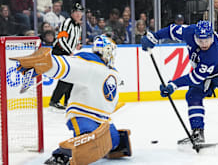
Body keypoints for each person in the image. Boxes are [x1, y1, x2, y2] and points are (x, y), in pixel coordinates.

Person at [10, 35, 131, 164]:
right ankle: (61, 156)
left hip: (103, 118)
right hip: (83, 115)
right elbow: (70, 66)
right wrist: (47, 64)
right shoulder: (90, 63)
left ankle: (99, 144)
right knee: (88, 143)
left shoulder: (111, 72)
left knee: (115, 141)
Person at [49, 2, 84, 110]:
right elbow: (61, 39)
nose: (78, 14)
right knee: (67, 76)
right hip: (59, 51)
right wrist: (69, 51)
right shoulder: (67, 22)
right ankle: (55, 100)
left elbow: (76, 39)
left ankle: (66, 101)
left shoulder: (79, 26)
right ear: (72, 13)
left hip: (67, 52)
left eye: (80, 12)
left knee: (71, 76)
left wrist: (78, 44)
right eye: (76, 12)